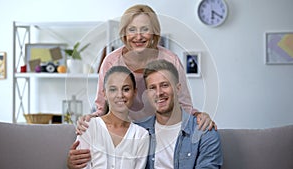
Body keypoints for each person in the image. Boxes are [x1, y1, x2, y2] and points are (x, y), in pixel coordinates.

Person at [77, 4, 216, 133]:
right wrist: (88, 119)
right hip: (125, 133)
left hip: (161, 132)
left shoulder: (170, 60)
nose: (138, 36)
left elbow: (184, 105)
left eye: (145, 29)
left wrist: (199, 116)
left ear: (154, 32)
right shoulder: (111, 62)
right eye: (132, 30)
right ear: (124, 33)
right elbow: (102, 107)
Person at [139, 59, 222, 168]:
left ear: (178, 89)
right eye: (152, 88)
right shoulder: (138, 132)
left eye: (164, 85)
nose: (159, 93)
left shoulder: (205, 133)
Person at [71, 66, 149, 169]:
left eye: (126, 89)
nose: (120, 95)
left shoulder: (141, 135)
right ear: (104, 94)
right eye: (113, 90)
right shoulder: (88, 127)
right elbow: (79, 166)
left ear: (134, 93)